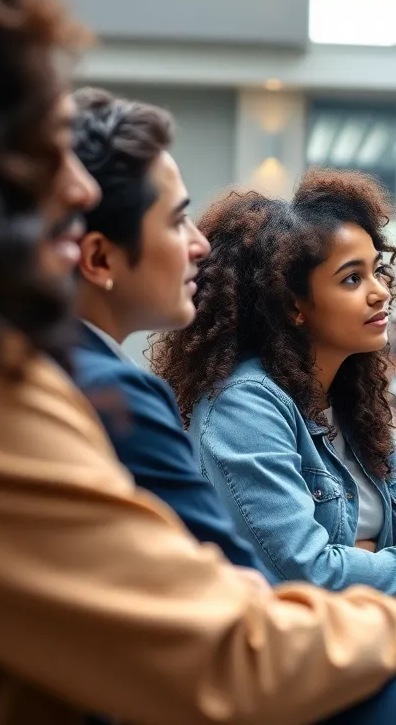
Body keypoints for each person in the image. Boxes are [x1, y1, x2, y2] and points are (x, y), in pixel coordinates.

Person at [0, 0, 396, 725]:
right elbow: (254, 612)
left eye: (377, 273)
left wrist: (389, 563)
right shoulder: (33, 385)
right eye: (47, 150)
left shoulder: (353, 395)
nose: (78, 185)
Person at [152, 170, 396, 595]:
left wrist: (364, 559)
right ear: (295, 306)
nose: (380, 293)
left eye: (377, 271)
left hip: (375, 637)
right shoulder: (245, 404)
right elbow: (310, 573)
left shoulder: (356, 405)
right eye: (352, 278)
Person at [69, 86, 271, 580]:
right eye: (178, 220)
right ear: (99, 258)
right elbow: (232, 588)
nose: (200, 244)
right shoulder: (116, 394)